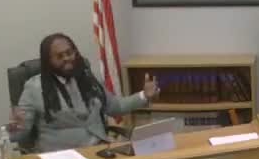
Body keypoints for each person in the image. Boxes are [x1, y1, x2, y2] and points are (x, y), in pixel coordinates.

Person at [10, 33, 160, 152]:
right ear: (48, 61)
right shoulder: (34, 88)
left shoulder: (87, 78)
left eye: (69, 53)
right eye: (59, 56)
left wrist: (144, 95)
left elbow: (115, 106)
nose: (67, 58)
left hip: (99, 150)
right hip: (60, 157)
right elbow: (20, 135)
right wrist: (15, 126)